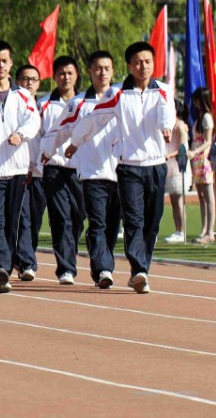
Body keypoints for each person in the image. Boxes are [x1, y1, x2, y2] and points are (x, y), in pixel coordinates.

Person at [69, 41, 174, 294]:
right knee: (134, 220)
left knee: (152, 223)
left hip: (156, 165)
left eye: (147, 62)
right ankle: (139, 270)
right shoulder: (117, 93)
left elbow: (166, 112)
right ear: (129, 66)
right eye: (137, 62)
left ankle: (142, 267)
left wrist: (166, 126)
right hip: (128, 168)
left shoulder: (163, 90)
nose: (143, 67)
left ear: (153, 63)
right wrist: (75, 141)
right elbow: (96, 118)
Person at [0, 40, 40, 294]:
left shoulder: (23, 95)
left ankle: (5, 265)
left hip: (16, 168)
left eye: (4, 61)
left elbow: (33, 121)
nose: (0, 65)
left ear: (11, 63)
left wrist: (20, 135)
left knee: (12, 221)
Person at [57, 50, 121, 288]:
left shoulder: (123, 99)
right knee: (98, 222)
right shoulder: (78, 103)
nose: (102, 73)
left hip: (120, 172)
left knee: (112, 225)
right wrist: (48, 150)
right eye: (98, 68)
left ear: (112, 71)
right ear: (90, 71)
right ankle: (104, 268)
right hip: (91, 172)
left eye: (107, 68)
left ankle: (100, 263)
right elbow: (60, 130)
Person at [39, 56, 86, 285]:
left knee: (78, 217)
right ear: (54, 76)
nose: (65, 77)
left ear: (76, 75)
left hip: (80, 170)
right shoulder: (44, 105)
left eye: (69, 73)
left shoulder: (86, 103)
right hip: (54, 169)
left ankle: (70, 251)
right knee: (60, 218)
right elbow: (37, 137)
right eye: (61, 73)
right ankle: (66, 268)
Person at [15, 64, 45, 278]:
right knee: (23, 217)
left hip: (42, 173)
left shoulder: (45, 106)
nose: (29, 83)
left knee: (35, 220)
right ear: (17, 82)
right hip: (21, 171)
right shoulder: (14, 106)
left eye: (33, 80)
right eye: (25, 79)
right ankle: (27, 262)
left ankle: (25, 255)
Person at [188, 88, 215, 244]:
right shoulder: (200, 117)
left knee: (208, 197)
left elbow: (208, 141)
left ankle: (210, 231)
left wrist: (195, 152)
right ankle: (204, 230)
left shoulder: (206, 117)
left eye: (196, 99)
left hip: (203, 160)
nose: (194, 103)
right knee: (202, 197)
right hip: (197, 160)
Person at [163, 99, 191, 243]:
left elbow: (183, 148)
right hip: (170, 166)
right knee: (174, 201)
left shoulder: (179, 126)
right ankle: (178, 230)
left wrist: (168, 155)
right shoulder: (170, 126)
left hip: (178, 167)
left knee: (179, 201)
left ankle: (181, 231)